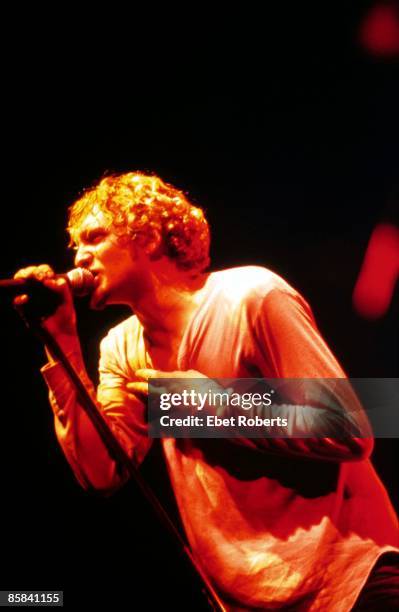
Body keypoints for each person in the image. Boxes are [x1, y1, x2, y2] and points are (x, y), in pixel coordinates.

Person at [14, 172, 398, 610]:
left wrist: (207, 404)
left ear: (151, 238)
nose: (80, 256)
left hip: (353, 582)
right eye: (75, 245)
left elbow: (350, 428)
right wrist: (61, 342)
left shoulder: (251, 294)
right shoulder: (119, 347)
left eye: (95, 237)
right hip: (249, 601)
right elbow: (102, 473)